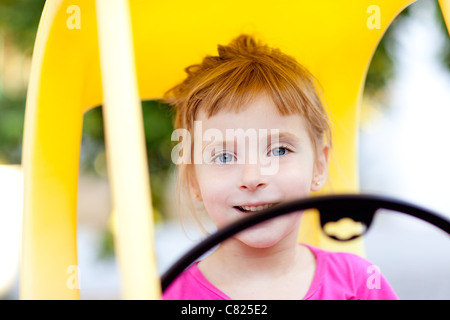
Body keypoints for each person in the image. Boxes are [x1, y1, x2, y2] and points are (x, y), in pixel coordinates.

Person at [162, 34, 398, 300]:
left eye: (279, 150)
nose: (253, 177)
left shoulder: (359, 284)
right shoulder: (170, 295)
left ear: (319, 165)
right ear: (193, 179)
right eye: (224, 157)